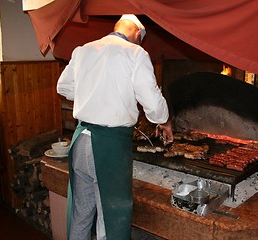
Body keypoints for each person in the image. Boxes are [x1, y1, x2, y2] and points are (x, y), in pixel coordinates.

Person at [56, 14, 173, 240]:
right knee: (110, 221)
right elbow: (151, 100)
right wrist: (164, 120)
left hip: (80, 141)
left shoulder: (83, 50)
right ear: (138, 34)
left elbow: (63, 87)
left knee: (81, 214)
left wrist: (90, 96)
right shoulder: (136, 53)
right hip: (108, 146)